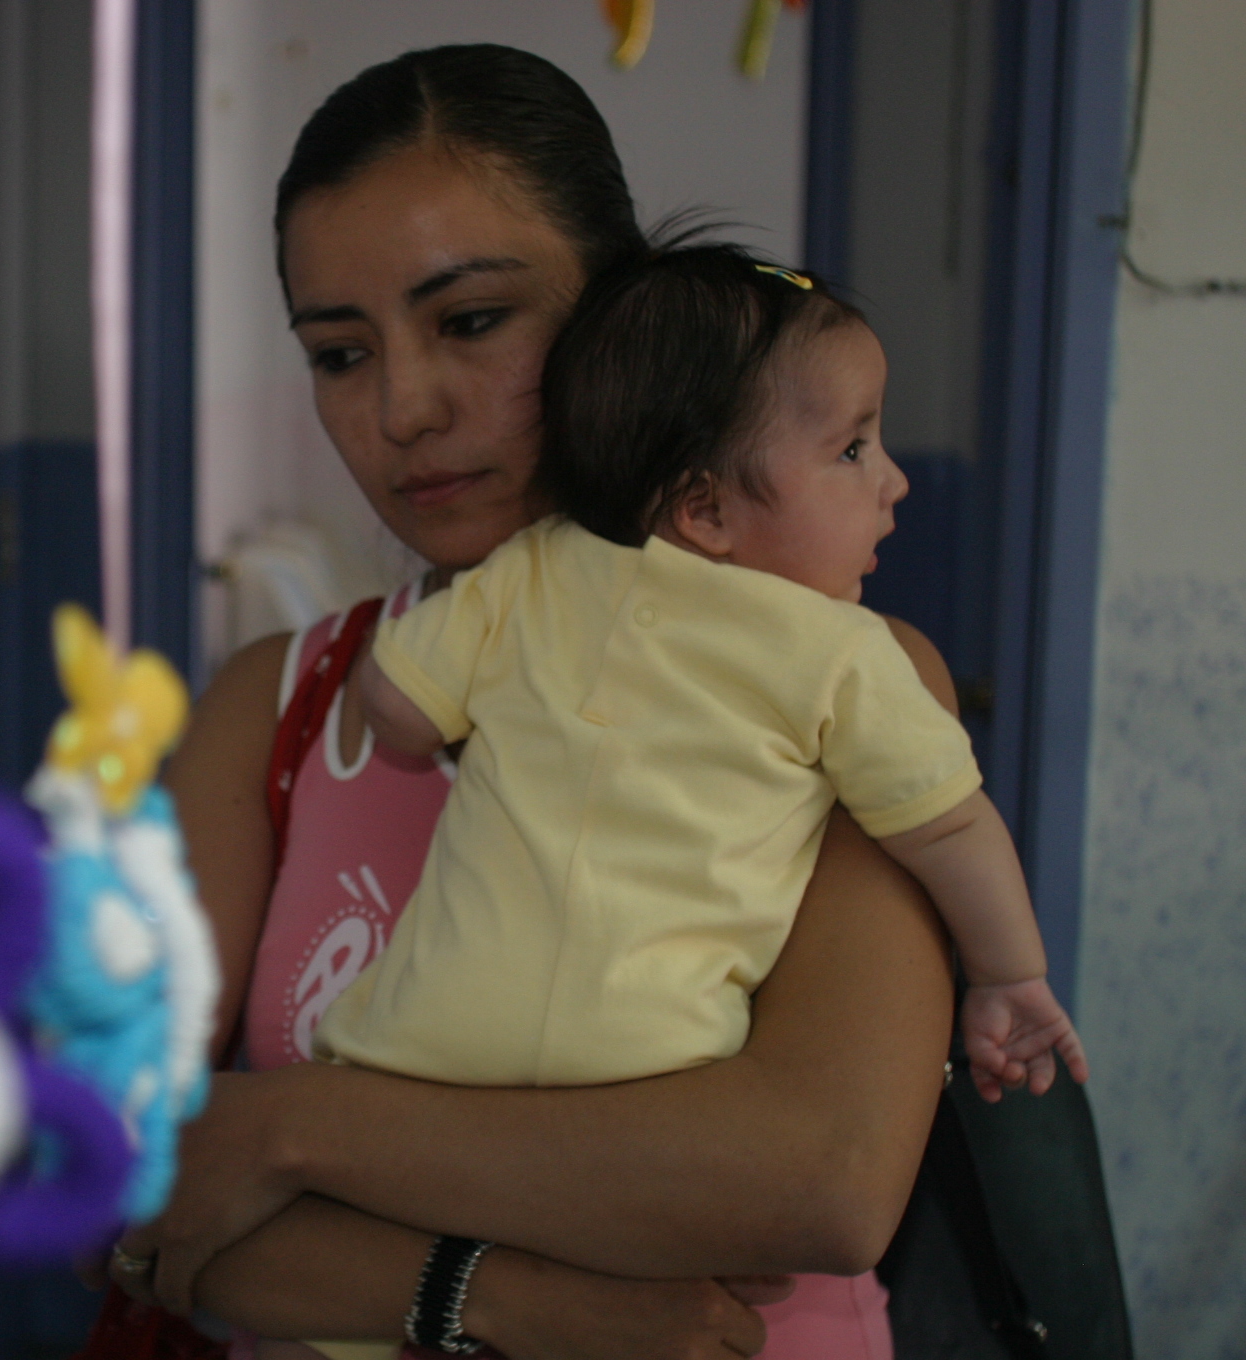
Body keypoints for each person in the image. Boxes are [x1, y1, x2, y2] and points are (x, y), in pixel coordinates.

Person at [108, 46, 958, 1360]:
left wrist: (286, 1131)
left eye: (472, 320)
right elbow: (133, 1189)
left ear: (622, 313)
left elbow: (823, 1180)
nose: (403, 408)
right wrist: (510, 1296)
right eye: (341, 352)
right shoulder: (271, 710)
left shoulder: (844, 676)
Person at [341, 243, 1089, 1106]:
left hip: (417, 1054)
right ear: (705, 510)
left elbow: (398, 708)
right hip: (656, 1075)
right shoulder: (842, 652)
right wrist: (1008, 977)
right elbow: (952, 832)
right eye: (852, 449)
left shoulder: (534, 569)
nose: (894, 481)